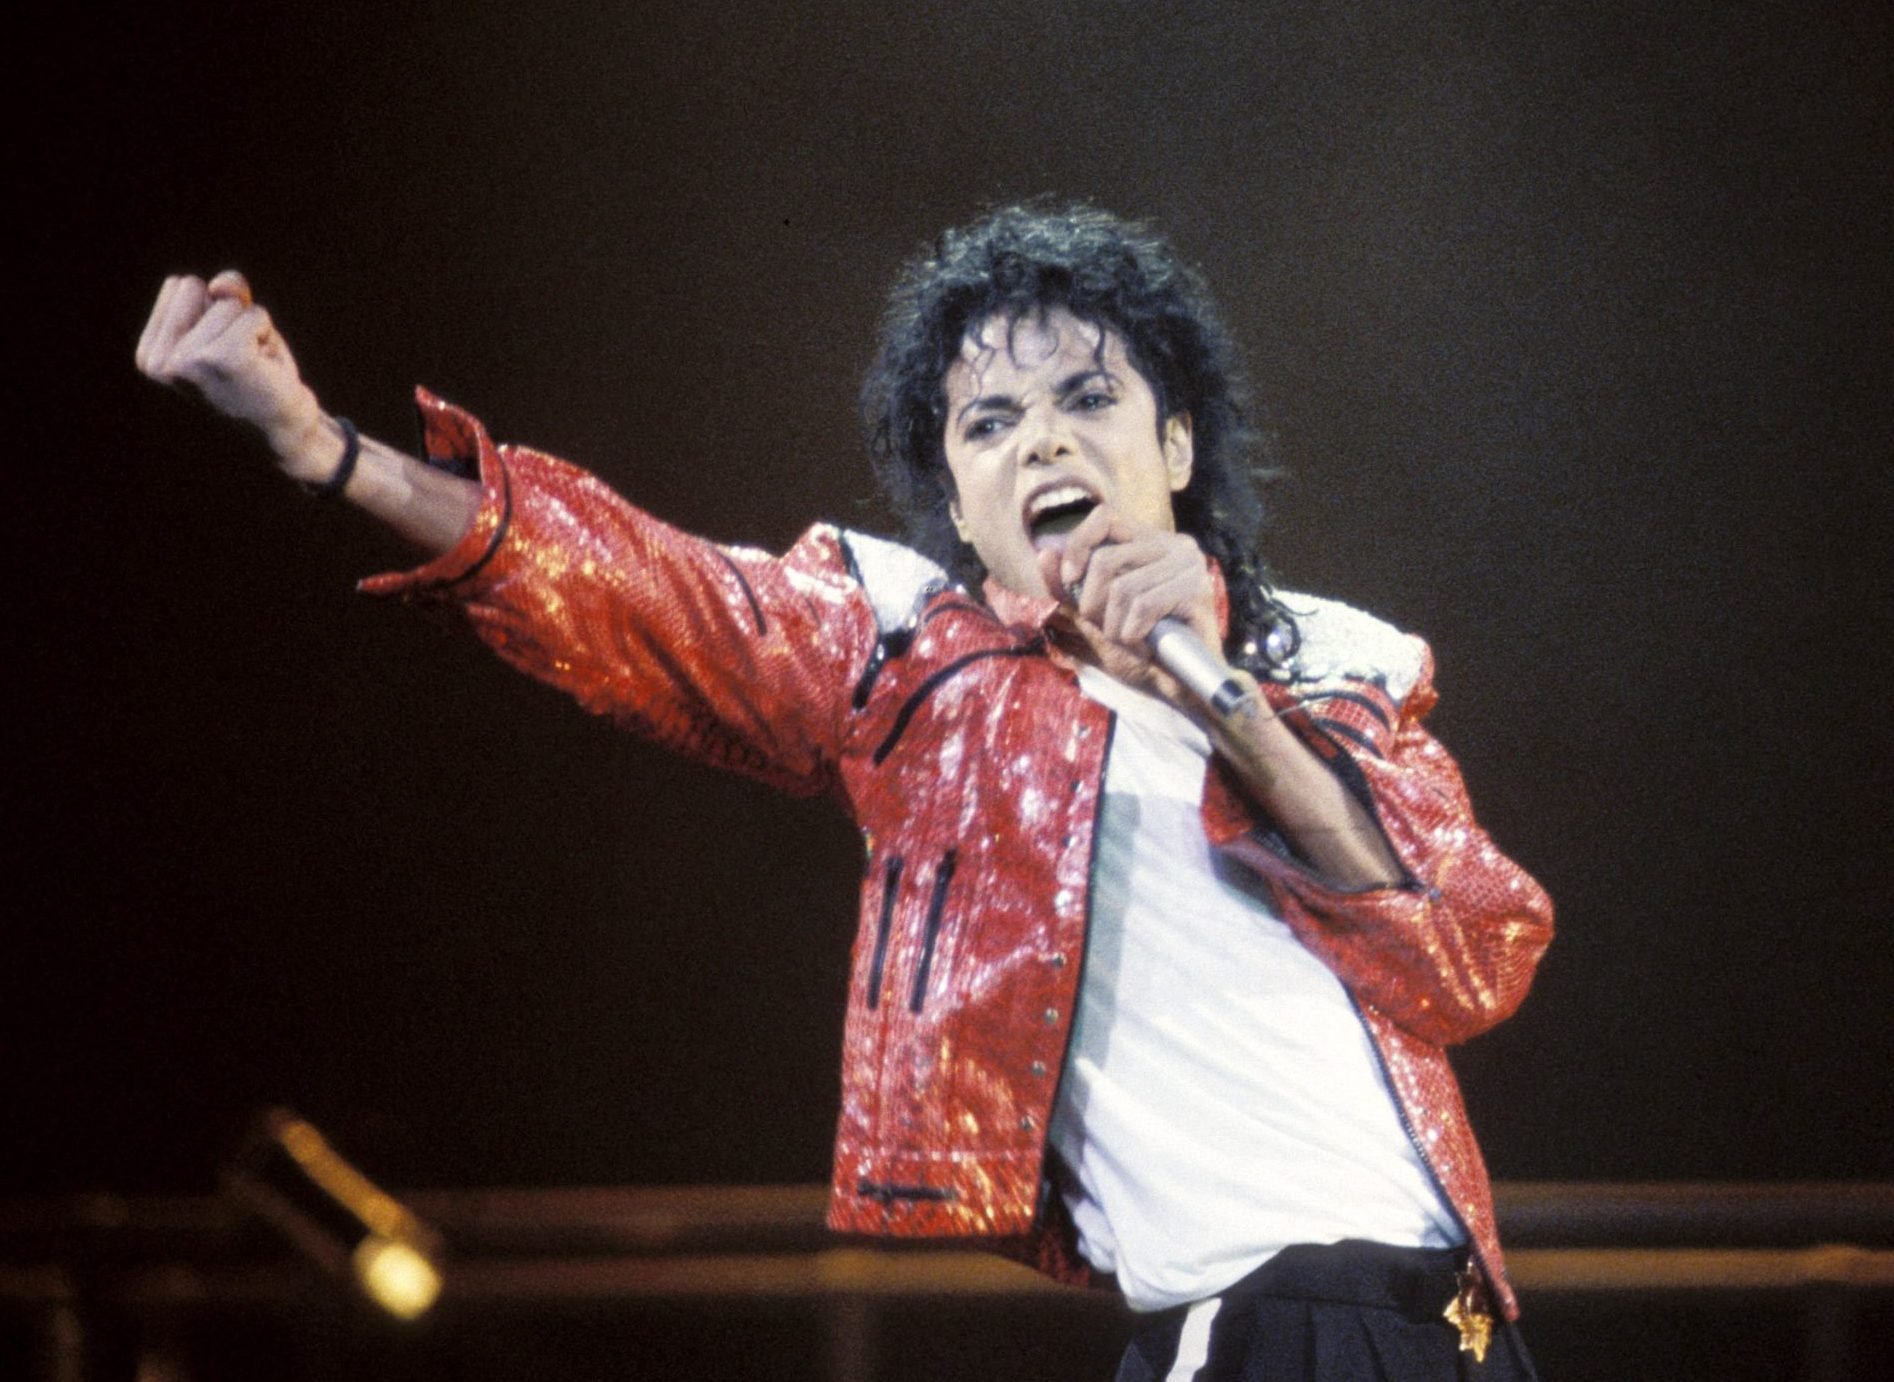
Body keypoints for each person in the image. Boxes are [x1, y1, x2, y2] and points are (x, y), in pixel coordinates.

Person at [136, 203, 1552, 1381]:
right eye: (988, 420)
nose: (1041, 440)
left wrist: (1215, 690)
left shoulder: (1337, 661)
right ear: (956, 484)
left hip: (1454, 1331)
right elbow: (631, 584)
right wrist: (320, 446)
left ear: (1173, 447)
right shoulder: (913, 666)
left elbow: (1473, 948)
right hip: (1245, 1323)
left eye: (1086, 398)